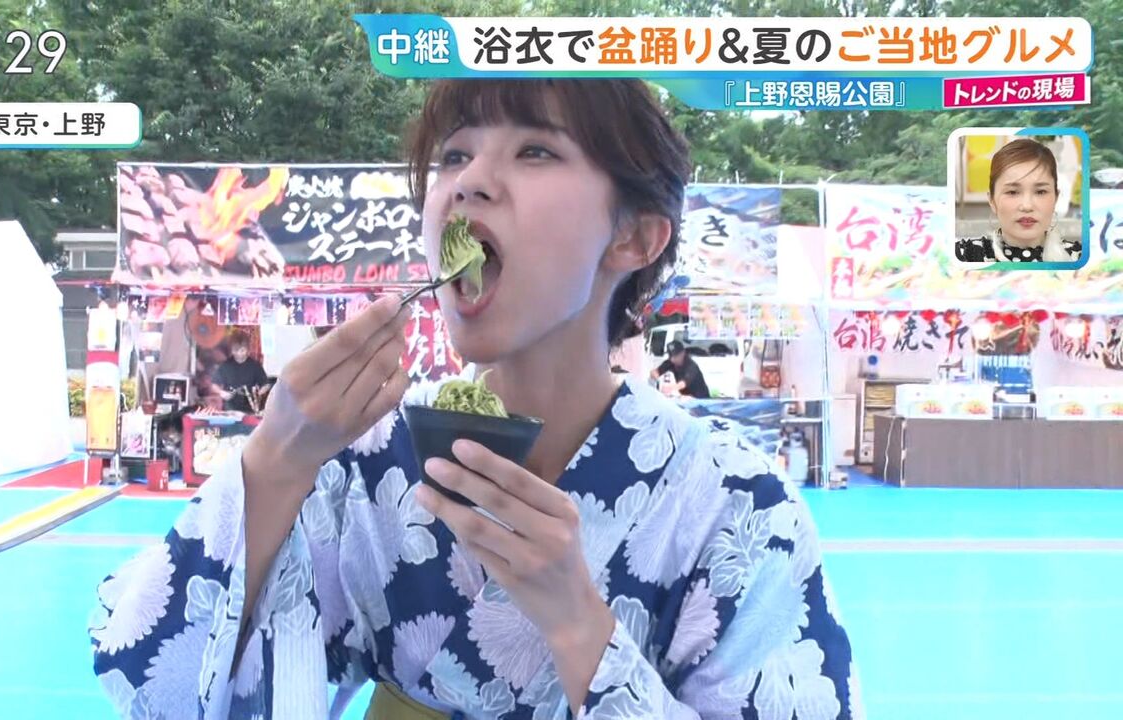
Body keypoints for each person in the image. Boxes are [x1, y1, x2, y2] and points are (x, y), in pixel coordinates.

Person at [89, 79, 858, 719]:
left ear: (634, 238)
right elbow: (154, 683)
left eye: (535, 151)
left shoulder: (738, 506)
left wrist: (578, 625)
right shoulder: (366, 457)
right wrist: (274, 464)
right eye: (454, 154)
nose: (468, 181)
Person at [955, 138, 1082, 263]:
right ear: (992, 200)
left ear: (1056, 198)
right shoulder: (964, 256)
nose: (1027, 206)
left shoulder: (1079, 258)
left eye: (1040, 192)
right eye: (1012, 192)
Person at [211, 331, 270, 413]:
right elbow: (213, 385)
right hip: (229, 409)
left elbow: (266, 384)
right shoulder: (225, 366)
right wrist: (221, 392)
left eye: (242, 350)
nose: (239, 354)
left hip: (250, 408)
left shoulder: (255, 366)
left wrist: (259, 393)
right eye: (236, 350)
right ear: (231, 350)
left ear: (248, 349)